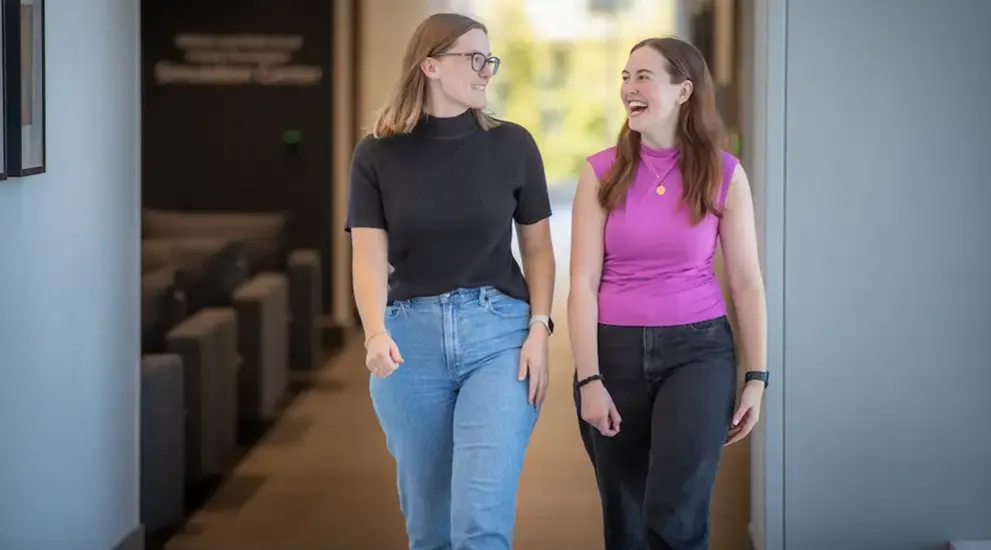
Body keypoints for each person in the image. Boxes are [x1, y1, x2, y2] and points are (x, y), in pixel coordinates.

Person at [345, 12, 556, 550]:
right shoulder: (377, 154)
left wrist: (539, 329)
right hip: (410, 344)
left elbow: (538, 250)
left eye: (490, 59)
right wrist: (373, 332)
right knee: (431, 530)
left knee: (480, 522)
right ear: (431, 65)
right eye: (474, 58)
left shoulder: (514, 145)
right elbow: (368, 257)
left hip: (499, 339)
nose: (487, 70)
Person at [568, 37, 768, 550]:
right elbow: (583, 283)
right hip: (613, 354)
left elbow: (746, 282)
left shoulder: (724, 173)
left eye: (643, 76)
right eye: (625, 77)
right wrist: (589, 377)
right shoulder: (600, 172)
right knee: (626, 516)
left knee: (676, 512)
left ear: (684, 91)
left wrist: (756, 377)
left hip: (698, 352)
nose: (628, 88)